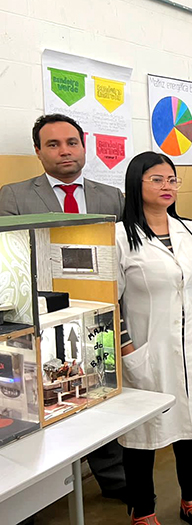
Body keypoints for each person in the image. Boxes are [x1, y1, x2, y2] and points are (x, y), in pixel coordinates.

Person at [0, 114, 126, 502]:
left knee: (102, 393)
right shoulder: (13, 196)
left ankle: (115, 478)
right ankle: (40, 489)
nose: (64, 151)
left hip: (100, 317)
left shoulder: (111, 197)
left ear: (83, 146)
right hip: (42, 317)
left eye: (71, 142)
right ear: (38, 151)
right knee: (47, 399)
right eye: (53, 144)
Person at [117, 152, 192, 525]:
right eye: (157, 179)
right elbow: (111, 302)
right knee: (142, 434)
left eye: (172, 179)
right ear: (136, 184)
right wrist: (129, 349)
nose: (167, 187)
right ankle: (142, 510)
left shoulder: (191, 230)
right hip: (148, 349)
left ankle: (191, 499)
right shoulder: (118, 236)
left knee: (191, 426)